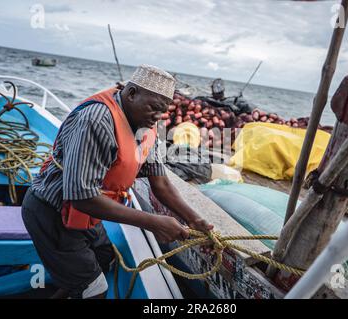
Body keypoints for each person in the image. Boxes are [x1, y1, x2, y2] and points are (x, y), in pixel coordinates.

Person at [21, 65, 213, 299]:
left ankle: (70, 288)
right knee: (95, 291)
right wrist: (154, 222)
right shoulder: (97, 120)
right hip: (51, 211)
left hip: (86, 216)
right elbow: (81, 196)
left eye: (162, 112)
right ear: (131, 93)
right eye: (153, 108)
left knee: (104, 257)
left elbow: (160, 183)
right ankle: (80, 287)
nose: (157, 117)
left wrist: (195, 219)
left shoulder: (146, 127)